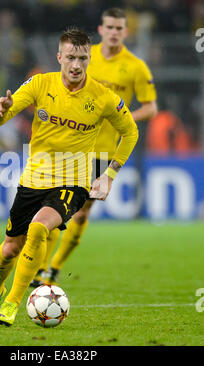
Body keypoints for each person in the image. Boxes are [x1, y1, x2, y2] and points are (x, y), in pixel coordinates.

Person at [0, 27, 138, 326]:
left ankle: (11, 303)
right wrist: (0, 110)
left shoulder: (102, 97)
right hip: (33, 180)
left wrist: (110, 174)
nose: (76, 65)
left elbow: (130, 131)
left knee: (38, 229)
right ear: (59, 57)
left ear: (89, 60)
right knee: (10, 248)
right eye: (71, 57)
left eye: (83, 58)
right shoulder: (40, 83)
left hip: (74, 183)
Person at [31, 8, 157, 287]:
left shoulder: (136, 66)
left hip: (102, 151)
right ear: (101, 30)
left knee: (81, 211)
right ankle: (40, 268)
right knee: (53, 205)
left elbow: (151, 107)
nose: (114, 32)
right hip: (70, 145)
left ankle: (52, 267)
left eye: (119, 28)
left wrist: (123, 118)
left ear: (126, 31)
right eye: (109, 27)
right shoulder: (85, 57)